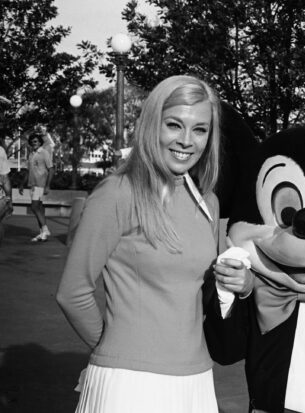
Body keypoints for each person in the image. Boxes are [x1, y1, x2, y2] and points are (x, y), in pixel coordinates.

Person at [56, 75, 252, 413]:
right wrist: (114, 351)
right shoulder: (118, 193)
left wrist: (242, 284)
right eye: (174, 125)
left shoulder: (207, 201)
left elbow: (199, 288)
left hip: (196, 378)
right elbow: (73, 292)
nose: (186, 141)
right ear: (152, 124)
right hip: (130, 383)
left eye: (200, 130)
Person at [19, 131, 53, 241]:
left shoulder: (44, 153)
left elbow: (51, 169)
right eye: (32, 142)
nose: (34, 143)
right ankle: (42, 233)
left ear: (40, 142)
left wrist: (48, 186)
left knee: (34, 207)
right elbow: (28, 170)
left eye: (36, 141)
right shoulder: (31, 154)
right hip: (32, 185)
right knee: (39, 208)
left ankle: (45, 229)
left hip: (40, 184)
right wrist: (22, 184)